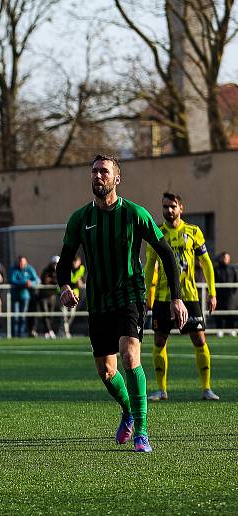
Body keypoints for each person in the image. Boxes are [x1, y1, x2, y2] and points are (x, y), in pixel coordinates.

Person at [57, 154, 187, 453]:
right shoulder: (80, 218)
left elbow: (166, 254)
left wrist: (176, 298)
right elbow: (64, 262)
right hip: (99, 300)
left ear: (117, 178)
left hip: (130, 295)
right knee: (106, 371)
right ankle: (128, 411)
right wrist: (64, 287)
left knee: (130, 357)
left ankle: (142, 432)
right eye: (94, 172)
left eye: (104, 171)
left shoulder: (135, 214)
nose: (97, 176)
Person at [144, 192, 219, 401]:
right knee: (159, 340)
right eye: (165, 207)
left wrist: (212, 292)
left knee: (199, 339)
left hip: (189, 295)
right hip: (162, 297)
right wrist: (146, 293)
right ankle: (161, 390)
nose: (168, 210)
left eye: (172, 206)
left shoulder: (193, 232)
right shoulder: (156, 234)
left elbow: (206, 264)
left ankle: (206, 388)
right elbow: (150, 266)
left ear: (181, 208)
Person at [9, 256, 39, 338]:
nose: (21, 264)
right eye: (20, 262)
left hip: (25, 296)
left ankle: (21, 334)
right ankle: (14, 334)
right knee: (15, 316)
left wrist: (31, 283)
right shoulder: (13, 269)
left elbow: (37, 280)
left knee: (23, 316)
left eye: (23, 262)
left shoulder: (29, 268)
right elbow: (12, 280)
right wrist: (24, 282)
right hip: (15, 296)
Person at [61, 255, 86, 338]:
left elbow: (83, 280)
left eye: (76, 261)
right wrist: (77, 281)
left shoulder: (82, 269)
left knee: (71, 314)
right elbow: (70, 280)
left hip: (75, 295)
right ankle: (65, 331)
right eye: (74, 261)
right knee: (64, 314)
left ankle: (64, 329)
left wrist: (81, 282)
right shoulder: (68, 268)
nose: (75, 263)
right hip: (67, 294)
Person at [214, 252, 237, 336]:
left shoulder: (232, 269)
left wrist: (233, 293)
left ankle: (231, 330)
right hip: (219, 296)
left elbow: (235, 281)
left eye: (227, 258)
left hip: (230, 297)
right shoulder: (216, 270)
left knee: (230, 313)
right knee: (219, 313)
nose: (225, 259)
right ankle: (219, 330)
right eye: (224, 258)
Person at [36, 255, 60, 338]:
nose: (55, 265)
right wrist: (52, 280)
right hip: (44, 296)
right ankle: (49, 330)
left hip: (52, 296)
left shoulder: (60, 271)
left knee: (50, 314)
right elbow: (45, 280)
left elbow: (58, 281)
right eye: (54, 263)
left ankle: (47, 330)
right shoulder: (46, 270)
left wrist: (52, 280)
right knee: (45, 314)